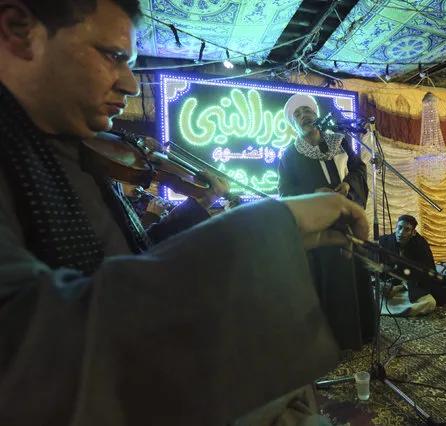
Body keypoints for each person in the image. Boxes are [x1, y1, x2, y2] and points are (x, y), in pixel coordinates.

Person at [0, 1, 370, 425]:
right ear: (18, 30)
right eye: (112, 56)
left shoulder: (69, 145)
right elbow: (27, 347)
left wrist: (200, 215)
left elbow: (123, 258)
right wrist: (268, 228)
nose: (130, 84)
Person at [278, 93, 374, 350]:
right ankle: (334, 339)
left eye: (307, 111)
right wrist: (314, 198)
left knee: (355, 275)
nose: (304, 116)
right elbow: (285, 194)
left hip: (348, 221)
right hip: (321, 231)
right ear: (293, 123)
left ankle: (362, 332)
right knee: (331, 280)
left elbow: (359, 171)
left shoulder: (340, 142)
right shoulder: (289, 155)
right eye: (297, 114)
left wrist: (347, 186)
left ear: (316, 114)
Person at [379, 215, 446, 306]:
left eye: (407, 230)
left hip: (410, 288)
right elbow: (375, 266)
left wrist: (398, 288)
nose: (401, 232)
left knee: (430, 303)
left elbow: (425, 273)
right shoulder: (385, 241)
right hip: (388, 285)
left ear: (413, 232)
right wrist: (382, 285)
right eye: (399, 227)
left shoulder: (421, 245)